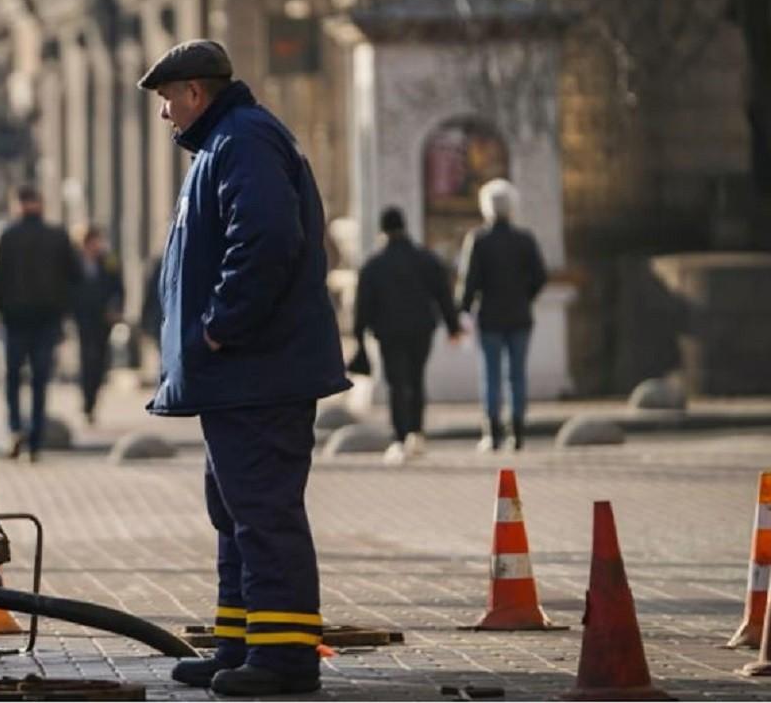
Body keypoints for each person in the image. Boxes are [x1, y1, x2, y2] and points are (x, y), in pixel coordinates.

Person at [139, 40, 350, 696]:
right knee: (234, 510)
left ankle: (284, 657)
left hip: (260, 372)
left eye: (169, 100)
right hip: (241, 378)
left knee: (262, 509)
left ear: (196, 92)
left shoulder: (244, 141)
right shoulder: (227, 142)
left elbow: (264, 240)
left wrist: (221, 328)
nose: (167, 114)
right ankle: (241, 642)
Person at [354, 207, 462, 464]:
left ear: (383, 230)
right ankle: (417, 433)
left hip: (389, 332)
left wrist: (359, 334)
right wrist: (453, 326)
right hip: (421, 330)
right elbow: (443, 294)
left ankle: (400, 438)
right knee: (416, 380)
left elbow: (363, 304)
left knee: (396, 384)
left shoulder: (374, 263)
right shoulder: (425, 258)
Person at [0, 186, 81, 461]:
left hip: (14, 319)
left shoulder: (5, 234)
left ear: (17, 205)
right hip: (47, 320)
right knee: (40, 380)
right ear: (40, 204)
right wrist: (64, 310)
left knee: (12, 377)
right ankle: (36, 440)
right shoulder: (57, 235)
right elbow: (74, 276)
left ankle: (16, 430)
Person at [457, 178, 547, 451]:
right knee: (517, 375)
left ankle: (492, 433)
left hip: (490, 317)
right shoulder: (525, 239)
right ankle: (517, 432)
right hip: (520, 316)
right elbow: (540, 276)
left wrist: (463, 310)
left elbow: (469, 282)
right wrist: (525, 297)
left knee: (491, 375)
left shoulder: (479, 241)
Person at [72, 226, 124, 425]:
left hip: (104, 318)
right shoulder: (75, 261)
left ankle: (92, 396)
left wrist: (116, 307)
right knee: (87, 358)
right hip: (83, 318)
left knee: (100, 360)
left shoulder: (108, 260)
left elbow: (118, 286)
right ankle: (87, 401)